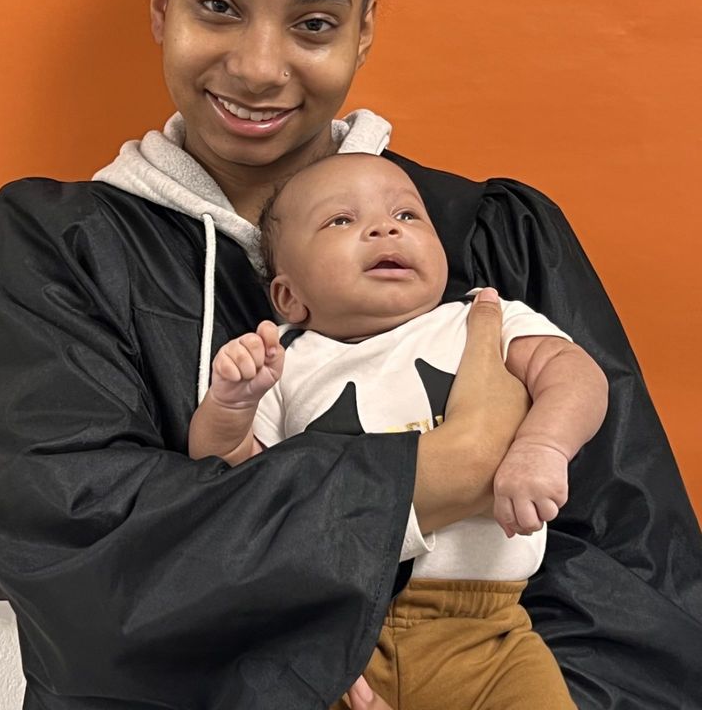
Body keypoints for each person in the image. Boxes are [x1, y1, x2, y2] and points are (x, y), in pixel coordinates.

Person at [0, 0, 702, 710]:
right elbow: (87, 568)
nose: (261, 66)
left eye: (312, 22)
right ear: (161, 3)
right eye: (217, 5)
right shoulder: (65, 252)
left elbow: (640, 596)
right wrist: (446, 466)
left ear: (363, 28)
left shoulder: (482, 239)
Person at [188, 152, 609, 709]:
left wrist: (542, 445)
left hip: (488, 638)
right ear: (289, 297)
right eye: (341, 220)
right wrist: (231, 403)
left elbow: (576, 374)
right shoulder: (284, 360)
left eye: (408, 216)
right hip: (339, 634)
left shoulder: (482, 316)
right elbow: (230, 476)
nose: (385, 227)